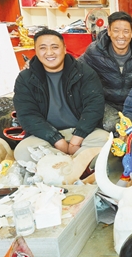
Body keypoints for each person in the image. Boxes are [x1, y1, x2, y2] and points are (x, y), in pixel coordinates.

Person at [13, 29, 106, 163]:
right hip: (45, 136)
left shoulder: (84, 72)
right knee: (23, 151)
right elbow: (27, 115)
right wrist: (56, 140)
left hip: (83, 134)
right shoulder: (25, 78)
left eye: (55, 47)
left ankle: (57, 165)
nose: (49, 53)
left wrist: (77, 138)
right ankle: (77, 164)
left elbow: (94, 106)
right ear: (36, 51)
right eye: (43, 48)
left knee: (106, 142)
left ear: (64, 49)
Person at [78, 11, 132, 132]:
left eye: (126, 31)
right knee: (111, 125)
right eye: (116, 30)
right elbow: (76, 69)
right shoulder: (94, 51)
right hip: (107, 103)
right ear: (109, 31)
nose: (121, 36)